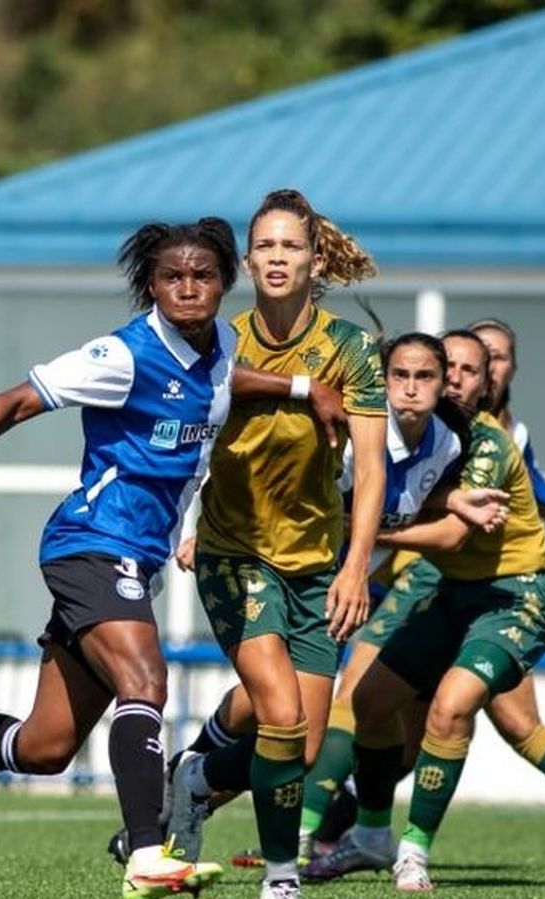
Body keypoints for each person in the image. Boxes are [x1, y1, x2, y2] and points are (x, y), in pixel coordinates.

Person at [0, 218, 343, 899]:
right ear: (152, 286)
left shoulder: (221, 343)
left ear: (226, 281)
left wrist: (304, 389)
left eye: (202, 275)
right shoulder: (124, 355)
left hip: (135, 558)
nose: (188, 288)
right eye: (172, 277)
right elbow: (21, 397)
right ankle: (145, 855)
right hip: (91, 544)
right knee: (147, 680)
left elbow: (230, 378)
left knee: (44, 747)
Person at [302, 321, 545, 884]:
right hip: (450, 591)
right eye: (448, 369)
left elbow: (448, 535)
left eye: (468, 370)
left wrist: (359, 530)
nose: (455, 380)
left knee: (454, 708)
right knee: (369, 702)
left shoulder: (487, 441)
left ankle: (409, 851)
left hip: (517, 596)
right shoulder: (414, 435)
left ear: (486, 382)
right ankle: (368, 835)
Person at [163, 189, 387, 899]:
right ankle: (282, 875)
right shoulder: (220, 339)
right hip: (235, 551)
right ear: (248, 260)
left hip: (319, 561)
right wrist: (185, 522)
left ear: (315, 259)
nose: (278, 258)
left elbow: (373, 470)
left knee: (306, 745)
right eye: (266, 246)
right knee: (283, 716)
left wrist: (356, 567)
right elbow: (187, 426)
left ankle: (196, 779)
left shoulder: (350, 348)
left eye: (291, 246)